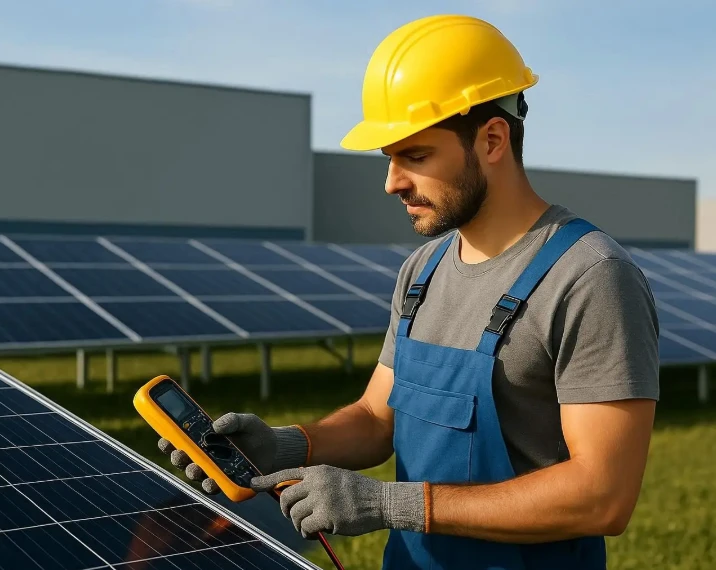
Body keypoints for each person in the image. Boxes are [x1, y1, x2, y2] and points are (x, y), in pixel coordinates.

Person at [158, 13, 660, 570]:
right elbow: (378, 418)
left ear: (492, 139)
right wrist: (284, 445)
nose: (392, 182)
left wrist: (386, 502)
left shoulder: (589, 276)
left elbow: (603, 497)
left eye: (415, 156)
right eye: (390, 158)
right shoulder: (422, 271)